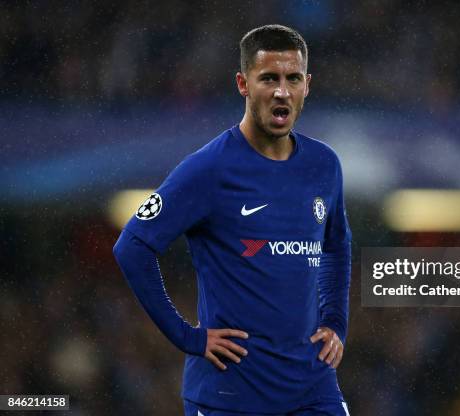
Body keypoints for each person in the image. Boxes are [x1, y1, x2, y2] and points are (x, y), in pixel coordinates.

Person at [113, 24, 351, 416]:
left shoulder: (324, 165)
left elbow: (337, 244)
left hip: (311, 386)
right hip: (230, 394)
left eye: (292, 79)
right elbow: (132, 246)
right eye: (268, 79)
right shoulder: (209, 169)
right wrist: (187, 337)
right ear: (243, 83)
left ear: (307, 85)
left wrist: (336, 321)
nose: (281, 91)